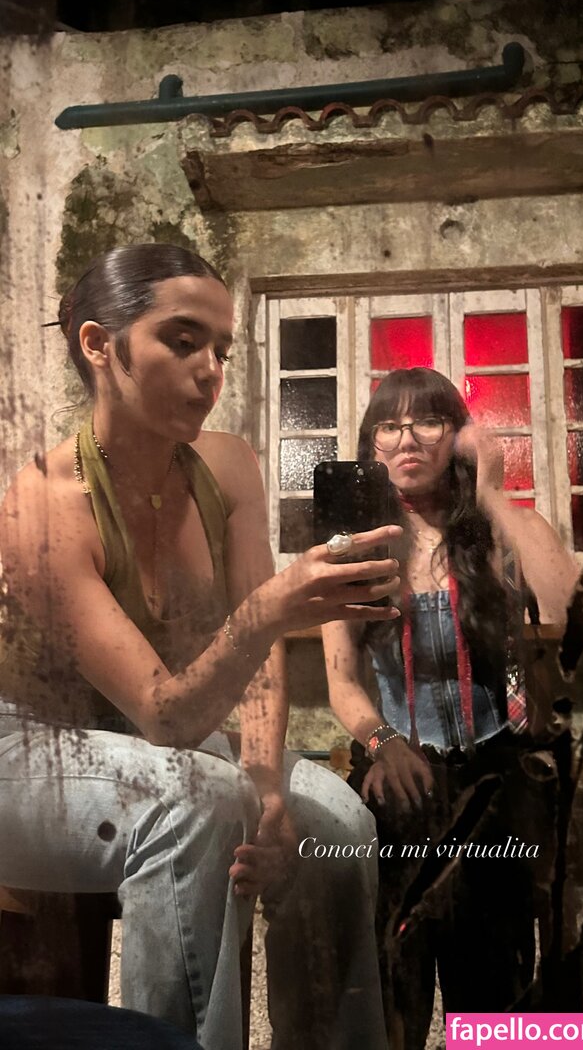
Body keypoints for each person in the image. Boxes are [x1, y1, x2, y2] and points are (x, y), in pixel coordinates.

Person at [0, 244, 403, 1050]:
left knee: (339, 825)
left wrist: (272, 790)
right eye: (183, 342)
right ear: (98, 345)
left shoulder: (227, 465)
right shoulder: (39, 506)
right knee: (194, 803)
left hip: (152, 736)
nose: (211, 371)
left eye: (221, 348)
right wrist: (271, 608)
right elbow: (166, 714)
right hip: (29, 747)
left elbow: (252, 669)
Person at [321, 367, 583, 1048]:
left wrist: (493, 494)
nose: (406, 439)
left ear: (459, 435)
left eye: (428, 421)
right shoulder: (356, 548)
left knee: (494, 991)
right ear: (370, 444)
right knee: (394, 980)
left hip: (495, 776)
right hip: (401, 774)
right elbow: (344, 682)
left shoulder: (498, 534)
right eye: (388, 425)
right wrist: (383, 742)